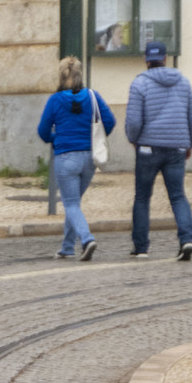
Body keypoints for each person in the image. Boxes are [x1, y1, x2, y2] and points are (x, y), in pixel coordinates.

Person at [125, 40, 192, 261]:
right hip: (176, 147)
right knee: (178, 196)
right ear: (166, 58)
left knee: (142, 197)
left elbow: (134, 122)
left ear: (146, 60)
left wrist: (134, 140)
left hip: (148, 148)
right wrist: (189, 144)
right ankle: (187, 240)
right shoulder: (184, 83)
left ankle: (141, 247)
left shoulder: (139, 84)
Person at [37, 56, 116, 261]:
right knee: (74, 204)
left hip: (65, 158)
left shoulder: (55, 100)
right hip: (89, 158)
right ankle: (67, 247)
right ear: (80, 74)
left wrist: (55, 139)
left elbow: (43, 130)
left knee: (71, 204)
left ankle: (87, 239)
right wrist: (95, 136)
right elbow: (110, 121)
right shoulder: (92, 96)